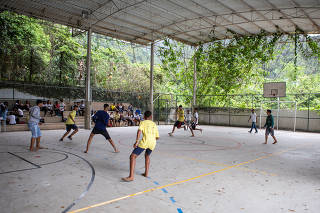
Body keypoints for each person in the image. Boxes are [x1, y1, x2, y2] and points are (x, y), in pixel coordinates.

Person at [122, 111, 159, 182]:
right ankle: (146, 173)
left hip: (145, 142)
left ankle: (131, 176)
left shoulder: (143, 122)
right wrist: (151, 140)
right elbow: (157, 137)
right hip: (153, 143)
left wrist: (136, 141)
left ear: (144, 117)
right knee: (147, 156)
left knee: (132, 156)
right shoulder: (154, 124)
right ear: (151, 117)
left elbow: (139, 131)